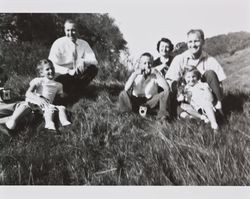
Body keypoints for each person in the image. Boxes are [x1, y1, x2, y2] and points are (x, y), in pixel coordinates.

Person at [165, 29, 226, 112]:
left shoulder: (210, 60)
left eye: (196, 41)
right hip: (187, 95)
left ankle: (219, 110)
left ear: (203, 42)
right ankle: (189, 112)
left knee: (210, 73)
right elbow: (171, 81)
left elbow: (220, 85)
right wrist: (182, 91)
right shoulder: (179, 59)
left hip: (206, 95)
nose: (193, 45)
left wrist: (217, 99)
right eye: (190, 42)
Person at [3, 59, 71, 132]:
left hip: (45, 106)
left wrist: (69, 95)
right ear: (41, 73)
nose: (51, 71)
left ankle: (50, 124)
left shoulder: (58, 85)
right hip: (35, 101)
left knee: (50, 110)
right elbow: (28, 93)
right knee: (25, 106)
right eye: (47, 69)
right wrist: (39, 99)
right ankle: (13, 120)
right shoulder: (39, 80)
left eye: (52, 68)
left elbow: (61, 95)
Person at [48, 19, 98, 96]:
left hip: (77, 74)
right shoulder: (58, 43)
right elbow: (51, 65)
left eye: (73, 30)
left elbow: (94, 61)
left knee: (93, 69)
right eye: (68, 30)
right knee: (65, 81)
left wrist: (84, 61)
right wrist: (68, 71)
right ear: (64, 30)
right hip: (61, 75)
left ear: (77, 30)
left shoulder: (84, 44)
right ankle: (72, 93)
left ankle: (77, 91)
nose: (70, 33)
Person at [118, 52, 171, 120]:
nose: (147, 66)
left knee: (165, 93)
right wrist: (135, 75)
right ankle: (126, 113)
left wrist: (157, 74)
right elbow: (126, 88)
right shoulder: (135, 73)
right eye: (144, 63)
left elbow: (167, 89)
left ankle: (163, 116)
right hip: (136, 100)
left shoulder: (156, 74)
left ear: (152, 64)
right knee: (123, 94)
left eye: (149, 63)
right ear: (140, 64)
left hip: (150, 102)